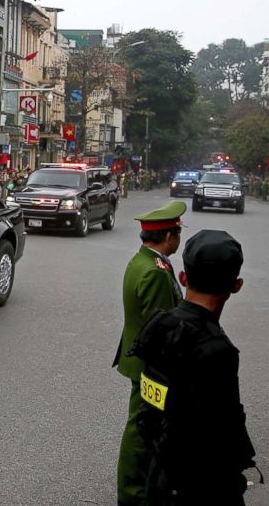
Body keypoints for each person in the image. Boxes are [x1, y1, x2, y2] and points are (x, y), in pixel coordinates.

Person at [129, 230, 259, 505]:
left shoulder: (160, 327)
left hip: (158, 477)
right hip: (198, 487)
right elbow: (221, 433)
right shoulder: (217, 351)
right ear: (236, 285)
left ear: (183, 278)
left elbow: (148, 411)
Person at [114, 200, 186, 505]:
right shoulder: (155, 272)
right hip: (149, 364)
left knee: (142, 425)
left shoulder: (143, 260)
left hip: (138, 358)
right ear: (169, 237)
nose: (179, 239)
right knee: (141, 431)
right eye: (178, 233)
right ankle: (132, 493)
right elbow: (162, 326)